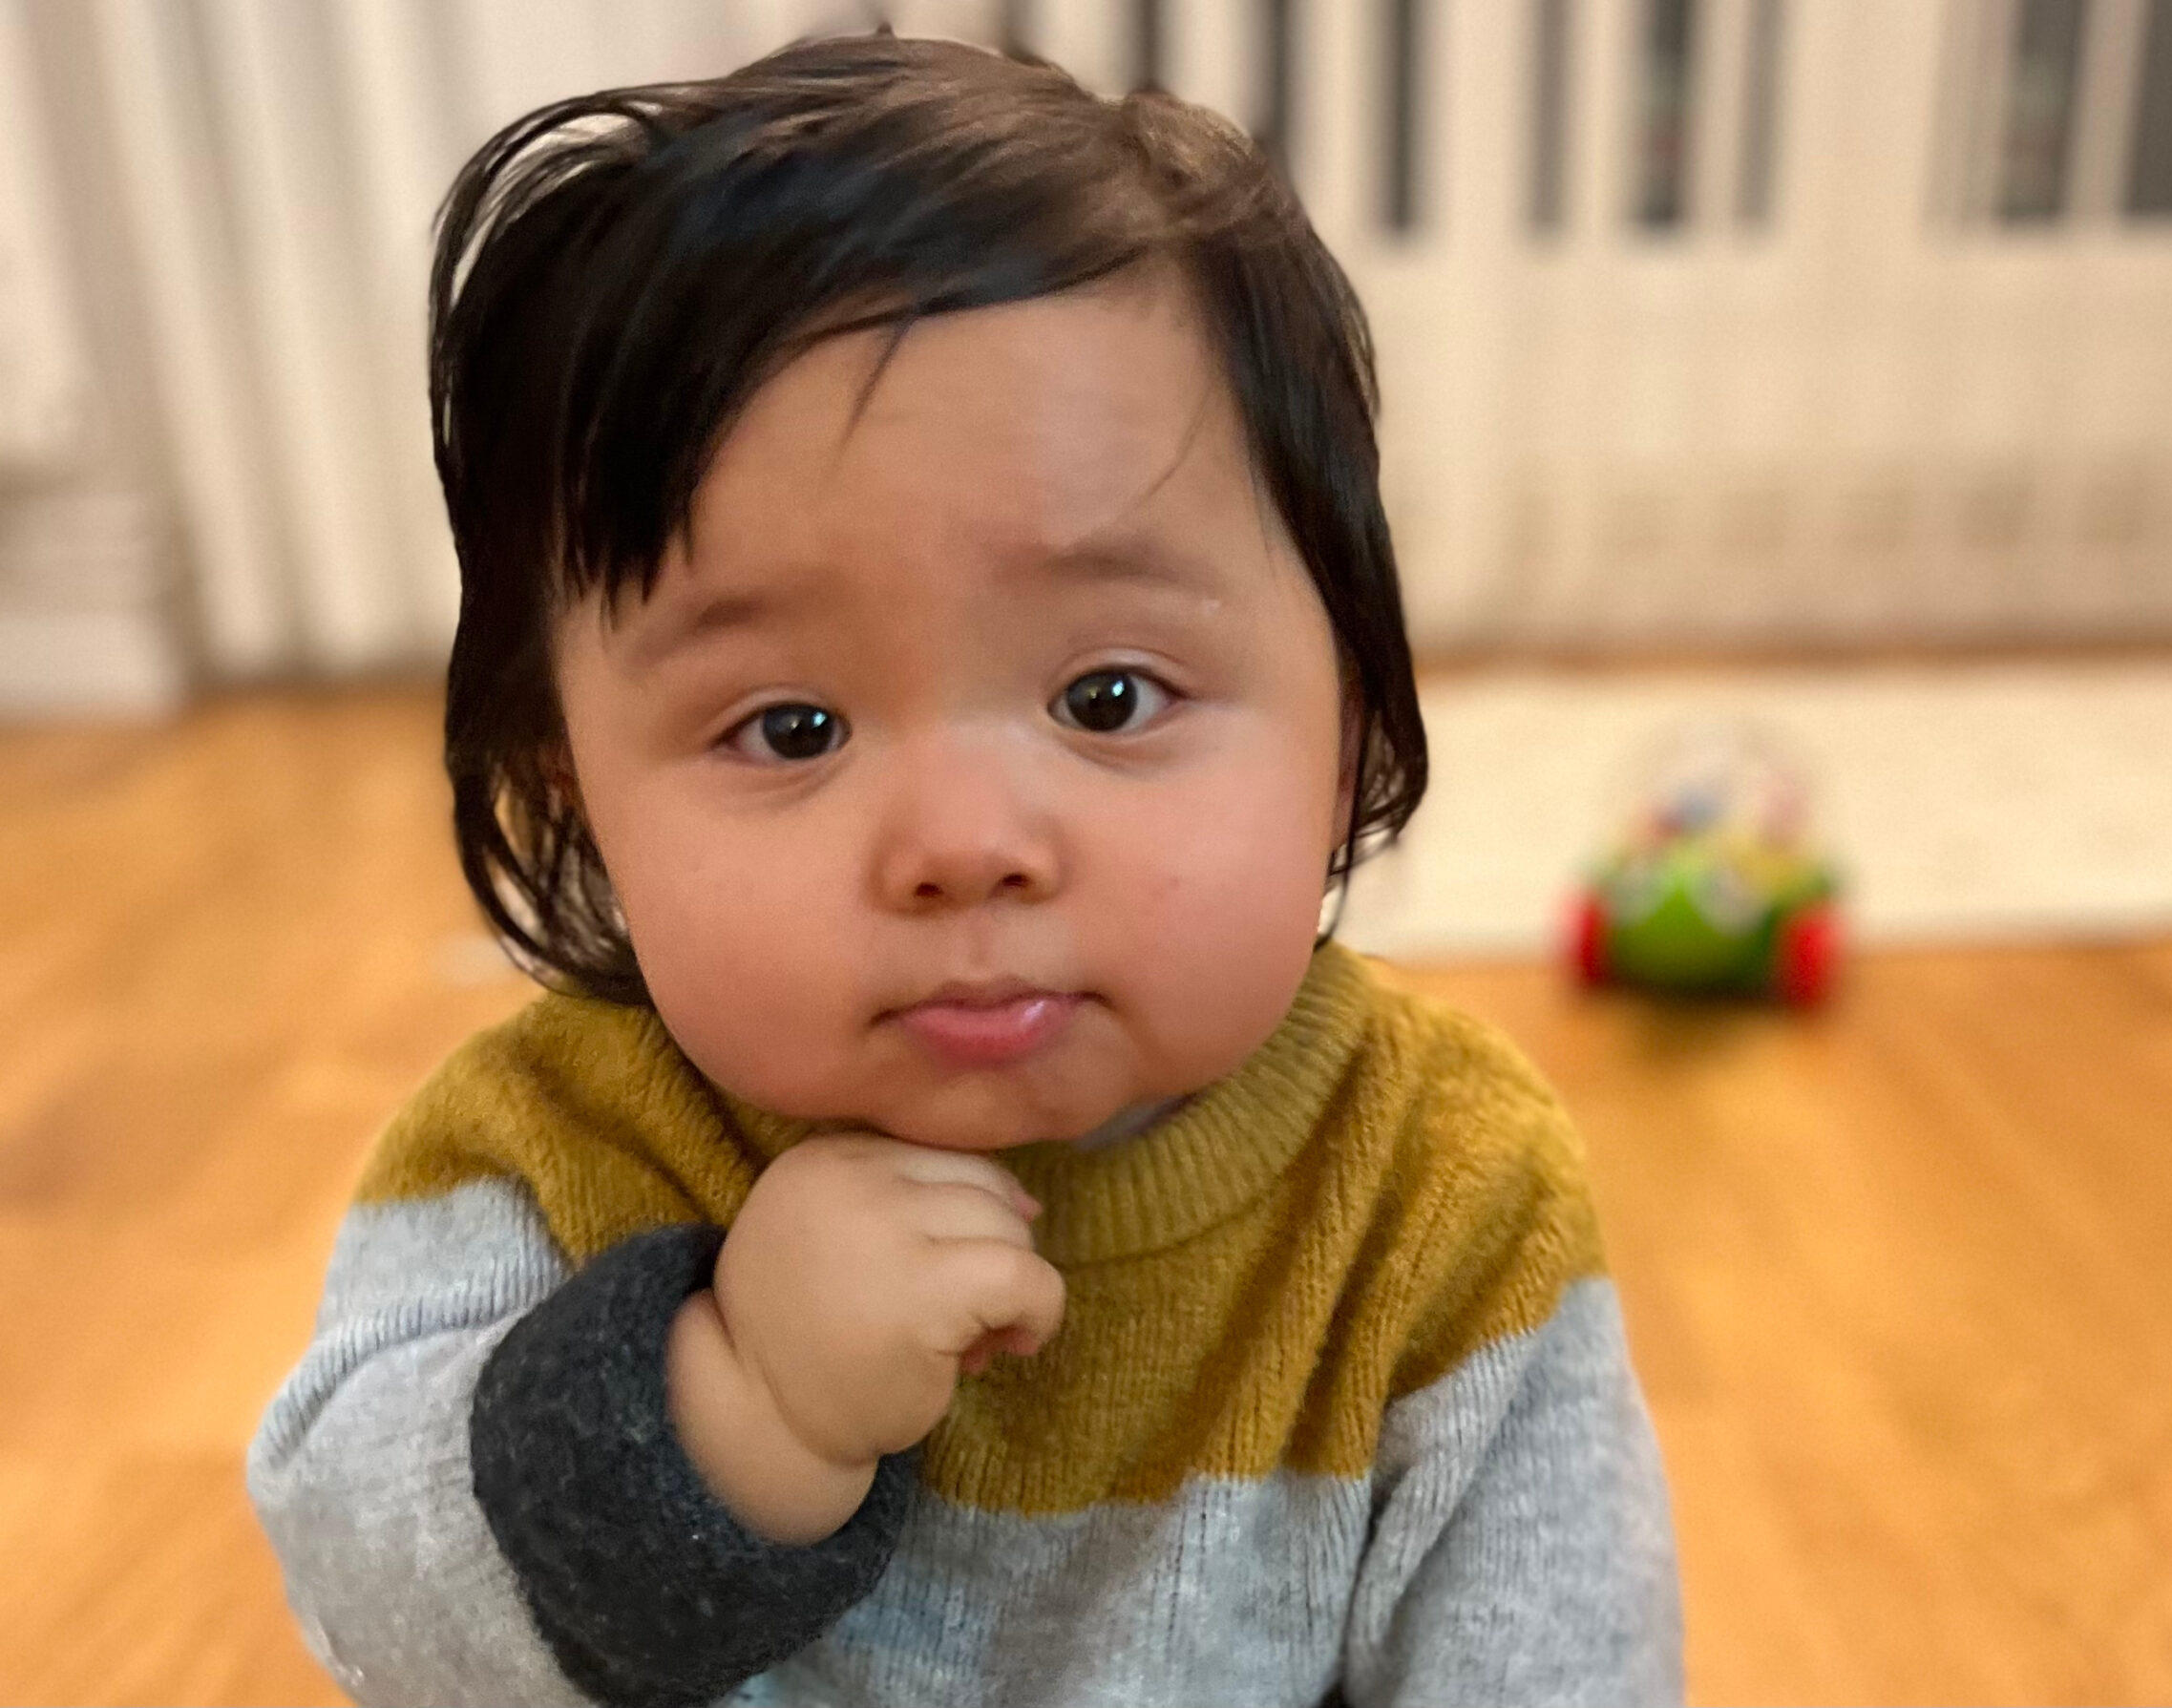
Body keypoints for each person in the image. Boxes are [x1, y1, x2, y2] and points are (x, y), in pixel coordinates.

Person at [248, 32, 1681, 1708]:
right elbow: (366, 1600)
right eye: (790, 728)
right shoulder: (546, 1156)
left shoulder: (1440, 1186)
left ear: (1348, 721)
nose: (963, 845)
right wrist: (728, 1407)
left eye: (1110, 697)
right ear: (580, 797)